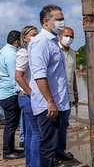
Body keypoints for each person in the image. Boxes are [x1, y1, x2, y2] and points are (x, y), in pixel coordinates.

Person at [28, 4, 70, 167]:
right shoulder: (41, 42)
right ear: (46, 21)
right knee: (48, 148)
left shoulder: (53, 42)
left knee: (53, 146)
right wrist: (50, 101)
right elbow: (39, 75)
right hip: (49, 105)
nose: (62, 22)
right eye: (58, 19)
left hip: (59, 103)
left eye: (63, 19)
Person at [15, 26, 40, 167]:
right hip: (28, 97)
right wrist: (32, 93)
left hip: (26, 97)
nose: (36, 37)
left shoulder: (29, 52)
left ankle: (30, 163)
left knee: (30, 133)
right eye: (33, 35)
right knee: (37, 134)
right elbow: (18, 77)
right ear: (25, 38)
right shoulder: (24, 53)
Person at [0, 30, 25, 159]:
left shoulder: (4, 51)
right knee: (11, 124)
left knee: (11, 124)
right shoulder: (11, 55)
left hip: (4, 93)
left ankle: (11, 149)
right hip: (10, 94)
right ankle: (8, 152)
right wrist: (20, 91)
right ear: (17, 41)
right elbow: (14, 77)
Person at [56, 27, 79, 161]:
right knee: (53, 124)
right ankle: (50, 153)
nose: (69, 38)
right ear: (60, 36)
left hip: (68, 94)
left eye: (72, 36)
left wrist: (76, 92)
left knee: (64, 124)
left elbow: (73, 74)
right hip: (55, 94)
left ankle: (60, 151)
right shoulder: (54, 49)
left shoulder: (72, 53)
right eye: (66, 35)